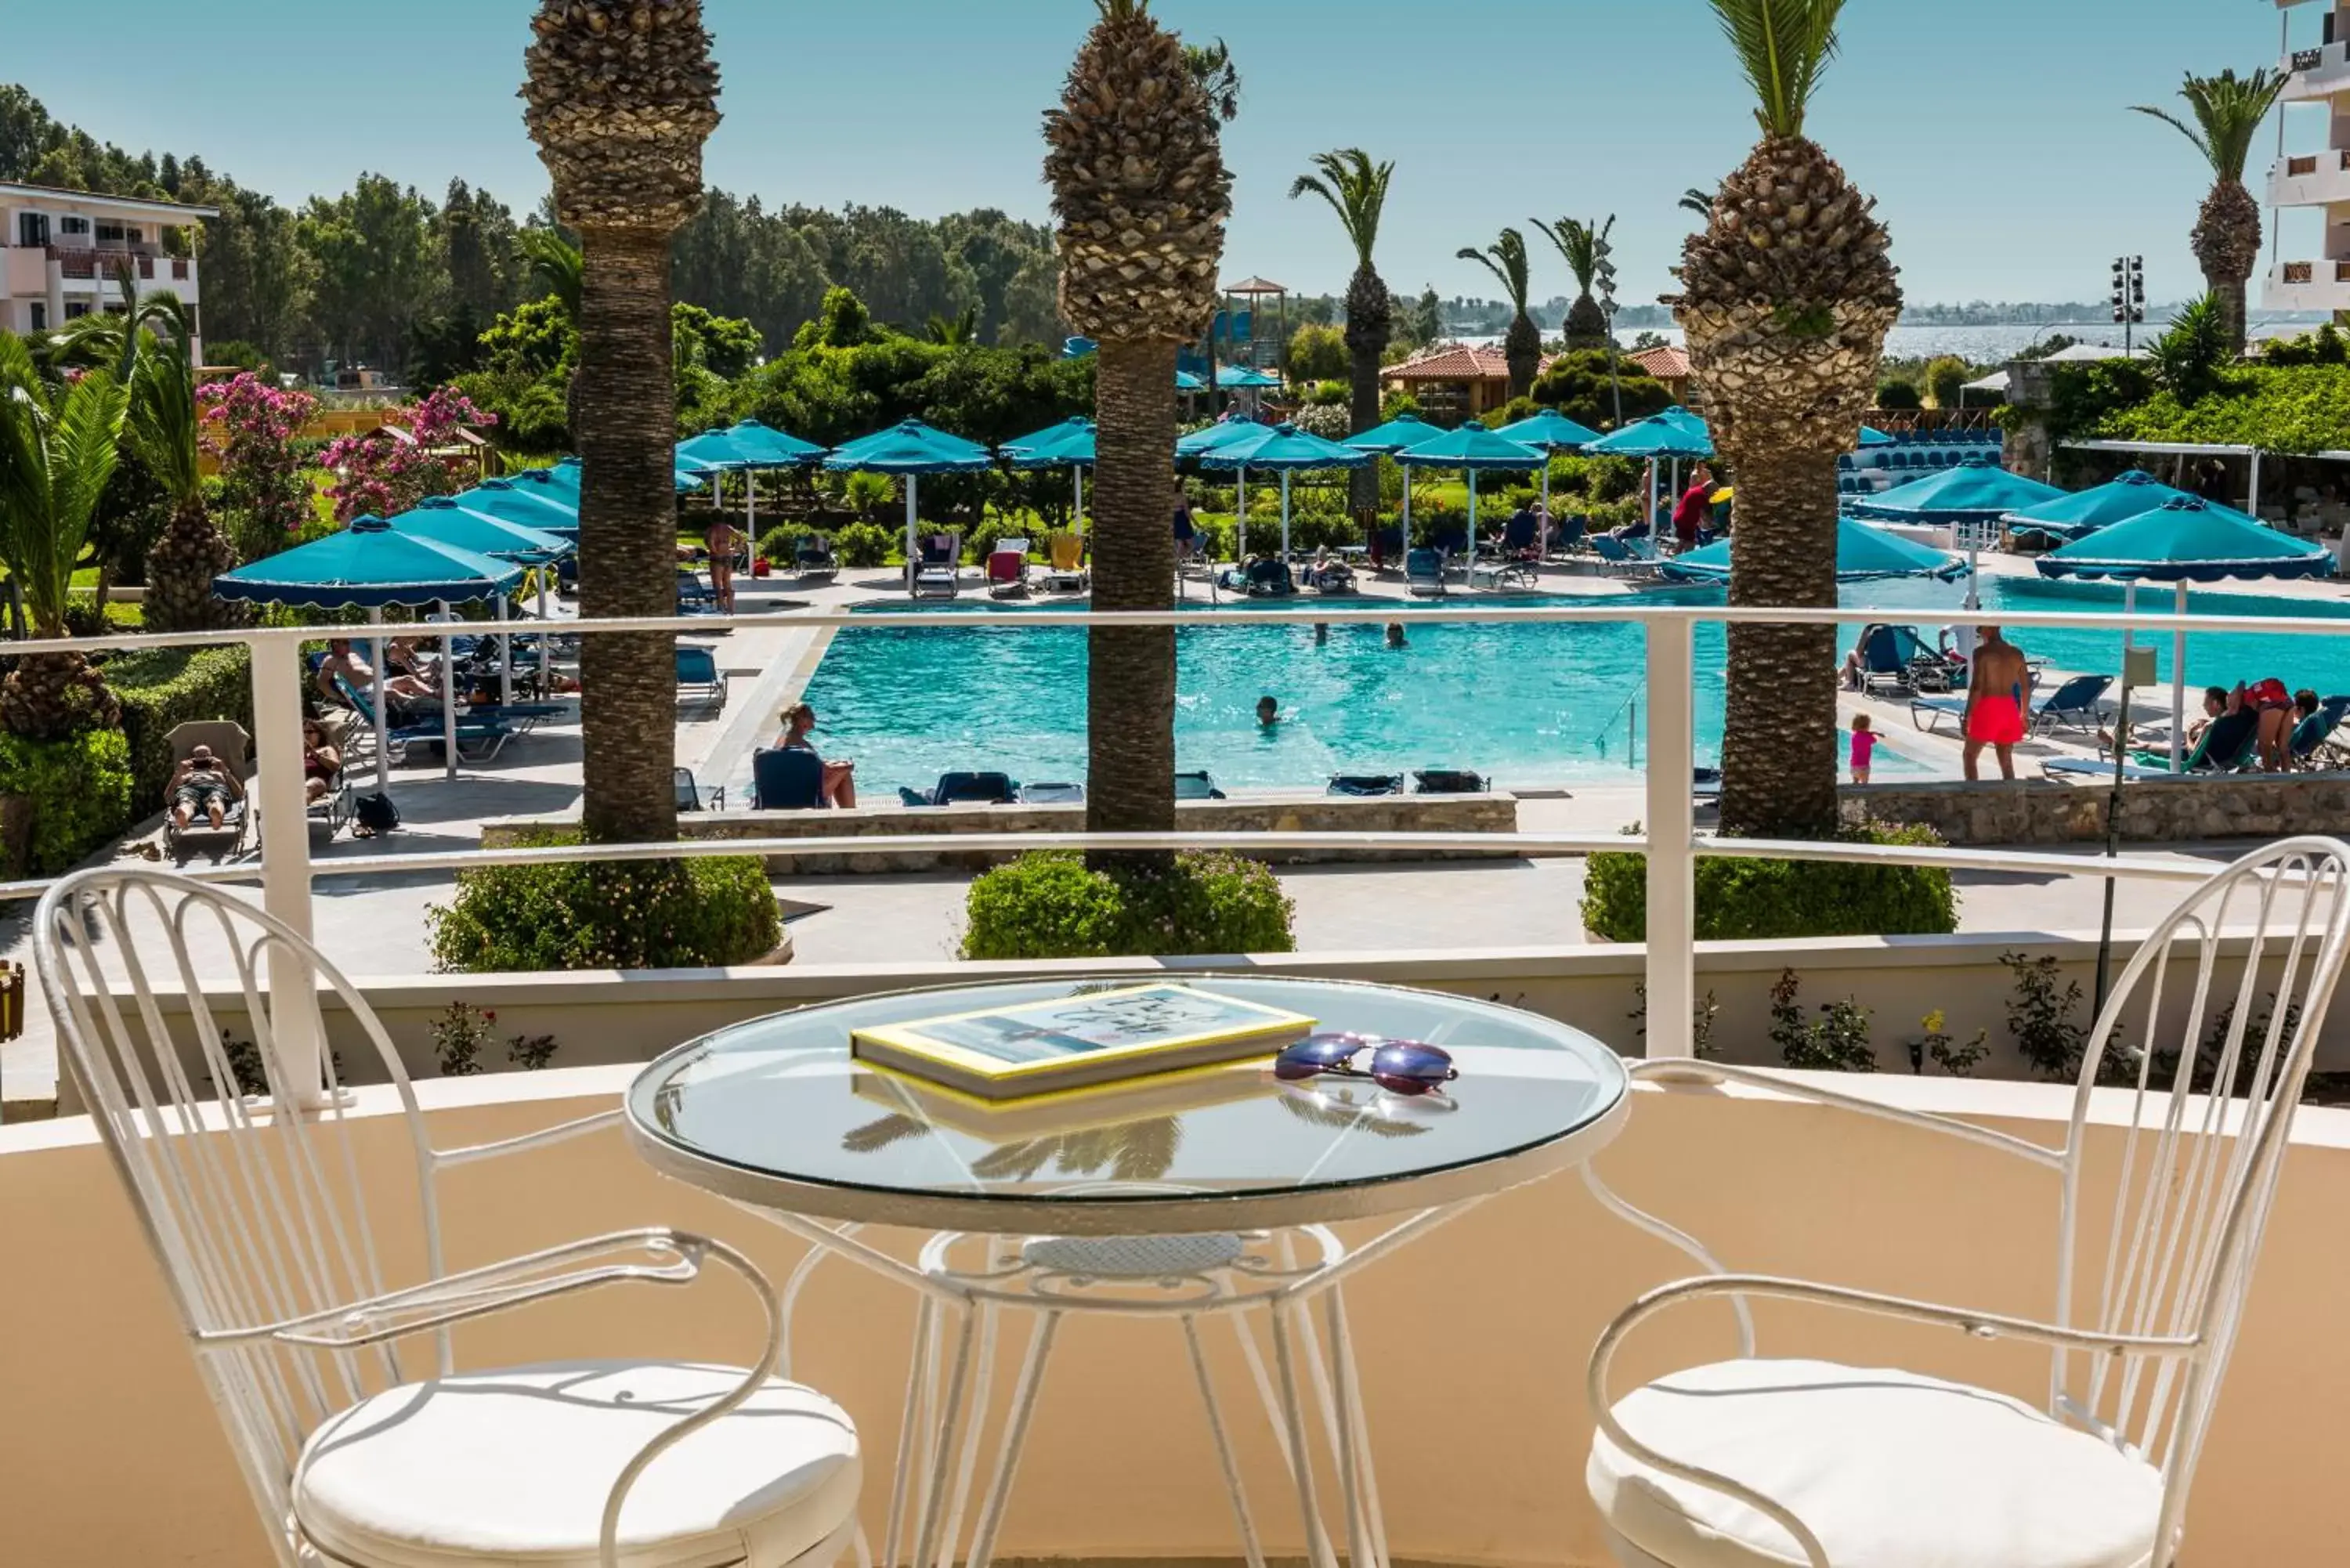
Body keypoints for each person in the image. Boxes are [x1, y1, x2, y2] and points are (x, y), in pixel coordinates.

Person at [1961, 625, 2030, 781]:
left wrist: (1968, 716)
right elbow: (2025, 687)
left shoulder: (1981, 653)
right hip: (2008, 707)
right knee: (2006, 760)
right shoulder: (2016, 653)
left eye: (1980, 628)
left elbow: (1977, 687)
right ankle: (2011, 799)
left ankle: (1973, 796)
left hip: (1988, 706)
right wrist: (2024, 715)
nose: (1978, 631)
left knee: (1970, 755)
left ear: (1992, 628)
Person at [778, 703, 857, 807]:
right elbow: (826, 770)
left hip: (785, 791)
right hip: (806, 795)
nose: (814, 720)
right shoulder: (801, 745)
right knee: (844, 773)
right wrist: (848, 766)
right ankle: (850, 815)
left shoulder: (782, 741)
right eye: (812, 716)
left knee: (839, 769)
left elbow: (810, 766)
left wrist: (835, 763)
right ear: (802, 719)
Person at [317, 638, 432, 709]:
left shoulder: (352, 655)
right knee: (390, 693)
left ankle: (433, 694)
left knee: (408, 679)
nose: (349, 645)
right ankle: (418, 703)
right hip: (362, 693)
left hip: (378, 684)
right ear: (335, 644)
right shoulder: (331, 660)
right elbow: (322, 683)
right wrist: (339, 698)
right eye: (345, 642)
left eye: (349, 642)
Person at [168, 744, 243, 831]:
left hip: (215, 788)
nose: (202, 759)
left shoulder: (219, 771)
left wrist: (225, 770)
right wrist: (178, 775)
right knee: (186, 801)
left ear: (212, 757)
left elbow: (239, 792)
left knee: (215, 798)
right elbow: (167, 796)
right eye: (198, 756)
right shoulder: (186, 774)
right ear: (192, 759)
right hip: (190, 788)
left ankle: (216, 814)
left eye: (206, 755)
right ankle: (183, 816)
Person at [1672, 463, 1716, 553]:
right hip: (1686, 520)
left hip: (1679, 518)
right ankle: (1688, 559)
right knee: (1690, 541)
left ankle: (1674, 557)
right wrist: (1709, 522)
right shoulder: (1702, 493)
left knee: (1683, 540)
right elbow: (1705, 511)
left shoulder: (1694, 490)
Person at [300, 719, 342, 804]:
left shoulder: (327, 749)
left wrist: (315, 754)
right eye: (303, 732)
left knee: (309, 787)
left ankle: (299, 807)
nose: (306, 735)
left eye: (310, 732)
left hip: (317, 781)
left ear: (319, 735)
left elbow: (336, 767)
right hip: (296, 780)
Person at [1842, 623, 1890, 691]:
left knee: (1850, 654)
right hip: (1892, 664)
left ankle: (1849, 683)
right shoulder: (1891, 629)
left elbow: (1858, 651)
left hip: (1874, 665)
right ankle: (1837, 678)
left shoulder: (1870, 629)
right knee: (1850, 662)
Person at [707, 513, 740, 614]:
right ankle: (731, 609)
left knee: (717, 585)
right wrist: (734, 550)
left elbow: (711, 541)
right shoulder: (728, 528)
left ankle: (721, 609)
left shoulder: (713, 529)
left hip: (717, 559)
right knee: (727, 583)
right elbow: (741, 538)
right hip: (727, 558)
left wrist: (714, 551)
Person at [1173, 482, 1199, 564]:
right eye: (1184, 486)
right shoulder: (1182, 497)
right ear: (1181, 487)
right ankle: (1182, 558)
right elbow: (1187, 513)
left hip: (1174, 521)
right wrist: (1196, 522)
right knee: (1191, 545)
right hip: (1183, 521)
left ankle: (1178, 562)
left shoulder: (1170, 497)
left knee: (1180, 545)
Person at [1849, 714, 1878, 785]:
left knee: (1855, 782)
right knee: (1864, 783)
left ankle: (1855, 785)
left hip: (1854, 764)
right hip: (1864, 765)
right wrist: (1870, 734)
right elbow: (1874, 740)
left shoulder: (1854, 736)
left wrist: (1867, 733)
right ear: (1866, 726)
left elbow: (1861, 736)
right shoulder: (1868, 737)